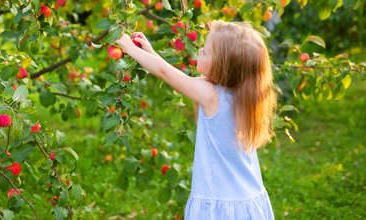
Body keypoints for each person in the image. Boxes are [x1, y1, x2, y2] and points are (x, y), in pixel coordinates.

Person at [115, 19, 276, 219]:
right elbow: (171, 73)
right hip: (249, 200)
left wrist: (130, 49)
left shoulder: (210, 94)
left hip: (219, 206)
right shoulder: (245, 95)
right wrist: (149, 50)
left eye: (206, 51)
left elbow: (165, 73)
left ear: (223, 67)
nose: (199, 51)